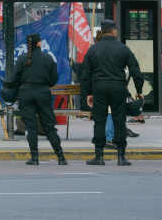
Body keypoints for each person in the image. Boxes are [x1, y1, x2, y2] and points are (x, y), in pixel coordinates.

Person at [81, 19, 144, 166]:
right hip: (118, 88)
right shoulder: (123, 48)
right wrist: (139, 91)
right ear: (114, 31)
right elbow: (136, 70)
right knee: (119, 121)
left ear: (102, 32)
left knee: (99, 121)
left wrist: (88, 93)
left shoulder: (93, 49)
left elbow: (85, 74)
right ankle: (121, 156)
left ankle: (99, 156)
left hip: (99, 89)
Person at [11, 33, 67, 166]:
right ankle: (60, 157)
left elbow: (15, 78)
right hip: (43, 93)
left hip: (26, 94)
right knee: (49, 127)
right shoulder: (48, 58)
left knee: (31, 127)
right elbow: (53, 80)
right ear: (39, 43)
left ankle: (34, 158)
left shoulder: (22, 59)